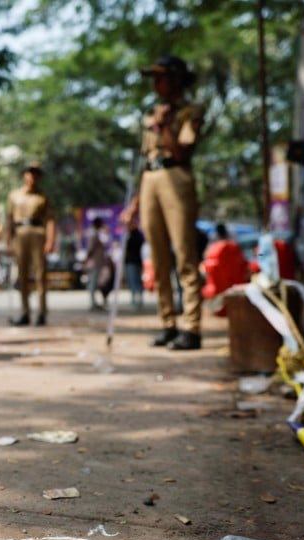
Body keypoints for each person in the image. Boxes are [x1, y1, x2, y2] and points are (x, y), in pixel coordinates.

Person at [120, 55, 206, 351]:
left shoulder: (190, 111)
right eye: (153, 78)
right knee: (157, 257)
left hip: (176, 178)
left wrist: (163, 126)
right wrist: (133, 206)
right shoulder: (151, 113)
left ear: (177, 80)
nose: (156, 84)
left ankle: (192, 327)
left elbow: (182, 152)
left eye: (161, 78)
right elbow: (147, 162)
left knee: (185, 254)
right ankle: (167, 323)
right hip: (151, 181)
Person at [5, 164, 55, 326]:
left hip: (37, 233)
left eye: (36, 174)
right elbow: (9, 220)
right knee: (22, 276)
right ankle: (25, 313)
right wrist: (8, 242)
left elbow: (50, 220)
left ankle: (42, 313)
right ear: (24, 175)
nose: (32, 177)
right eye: (30, 173)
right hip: (20, 234)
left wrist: (50, 241)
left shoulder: (43, 197)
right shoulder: (14, 196)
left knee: (40, 275)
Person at [201, 222, 248, 316]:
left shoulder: (215, 248)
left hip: (221, 293)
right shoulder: (233, 246)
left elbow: (205, 268)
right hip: (235, 291)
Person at [84, 217, 112, 311]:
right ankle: (92, 302)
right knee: (93, 283)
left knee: (95, 283)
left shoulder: (97, 234)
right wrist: (86, 259)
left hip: (97, 262)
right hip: (95, 262)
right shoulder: (93, 234)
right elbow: (90, 249)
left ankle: (94, 302)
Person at [124, 223, 145, 309]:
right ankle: (135, 298)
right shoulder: (131, 235)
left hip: (133, 261)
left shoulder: (135, 236)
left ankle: (137, 299)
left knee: (135, 280)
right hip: (133, 261)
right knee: (134, 280)